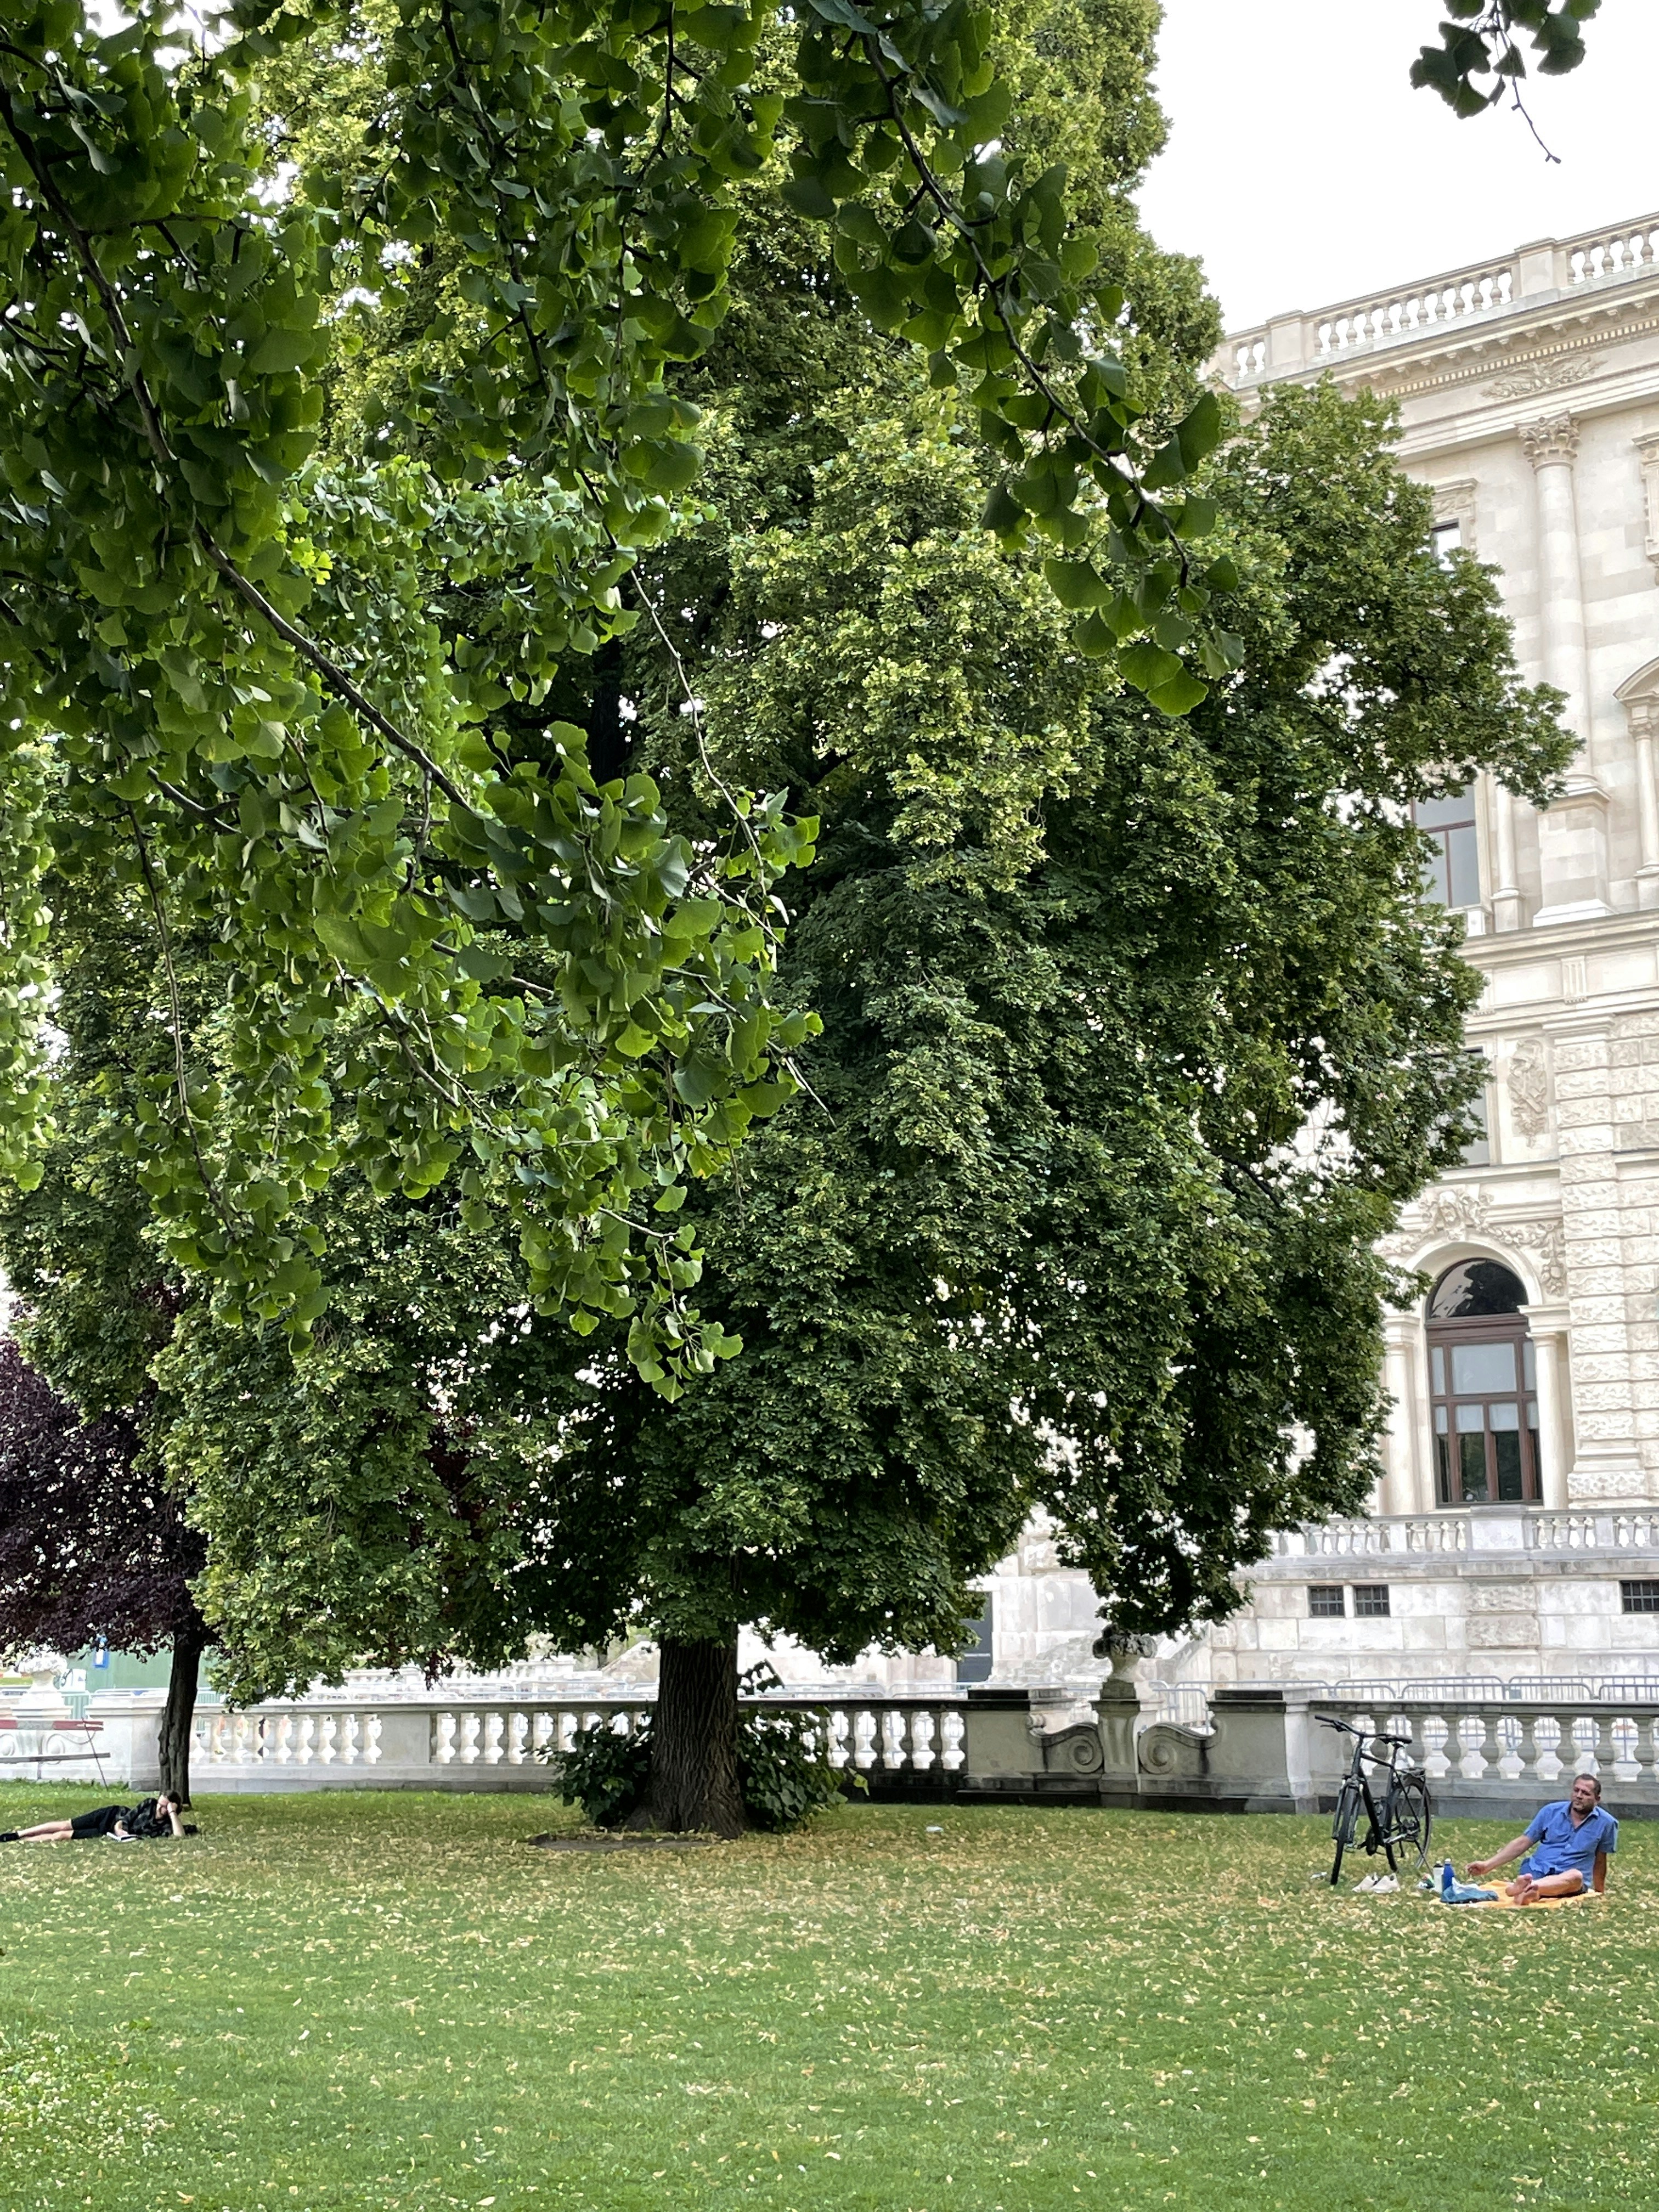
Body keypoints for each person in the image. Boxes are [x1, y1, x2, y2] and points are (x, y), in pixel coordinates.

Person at [1468, 1770, 1616, 1902]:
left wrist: (1599, 1892)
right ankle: (1528, 1892)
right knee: (1532, 1885)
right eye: (1576, 1790)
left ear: (1597, 1799)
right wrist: (1487, 1865)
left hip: (1568, 1879)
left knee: (1575, 1876)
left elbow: (1601, 1860)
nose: (1579, 1796)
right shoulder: (1550, 1811)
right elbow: (1523, 1842)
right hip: (1537, 1870)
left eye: (1585, 1793)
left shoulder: (1607, 1823)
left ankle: (1519, 1890)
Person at [0, 1790, 187, 1843]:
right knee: (66, 1825)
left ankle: (23, 1841)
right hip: (111, 1816)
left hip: (105, 1833)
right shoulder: (149, 1803)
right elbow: (126, 1820)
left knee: (63, 1836)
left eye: (164, 1807)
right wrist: (120, 1829)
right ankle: (19, 1834)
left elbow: (180, 1836)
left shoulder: (168, 1825)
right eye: (160, 1804)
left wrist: (171, 1812)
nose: (158, 1808)